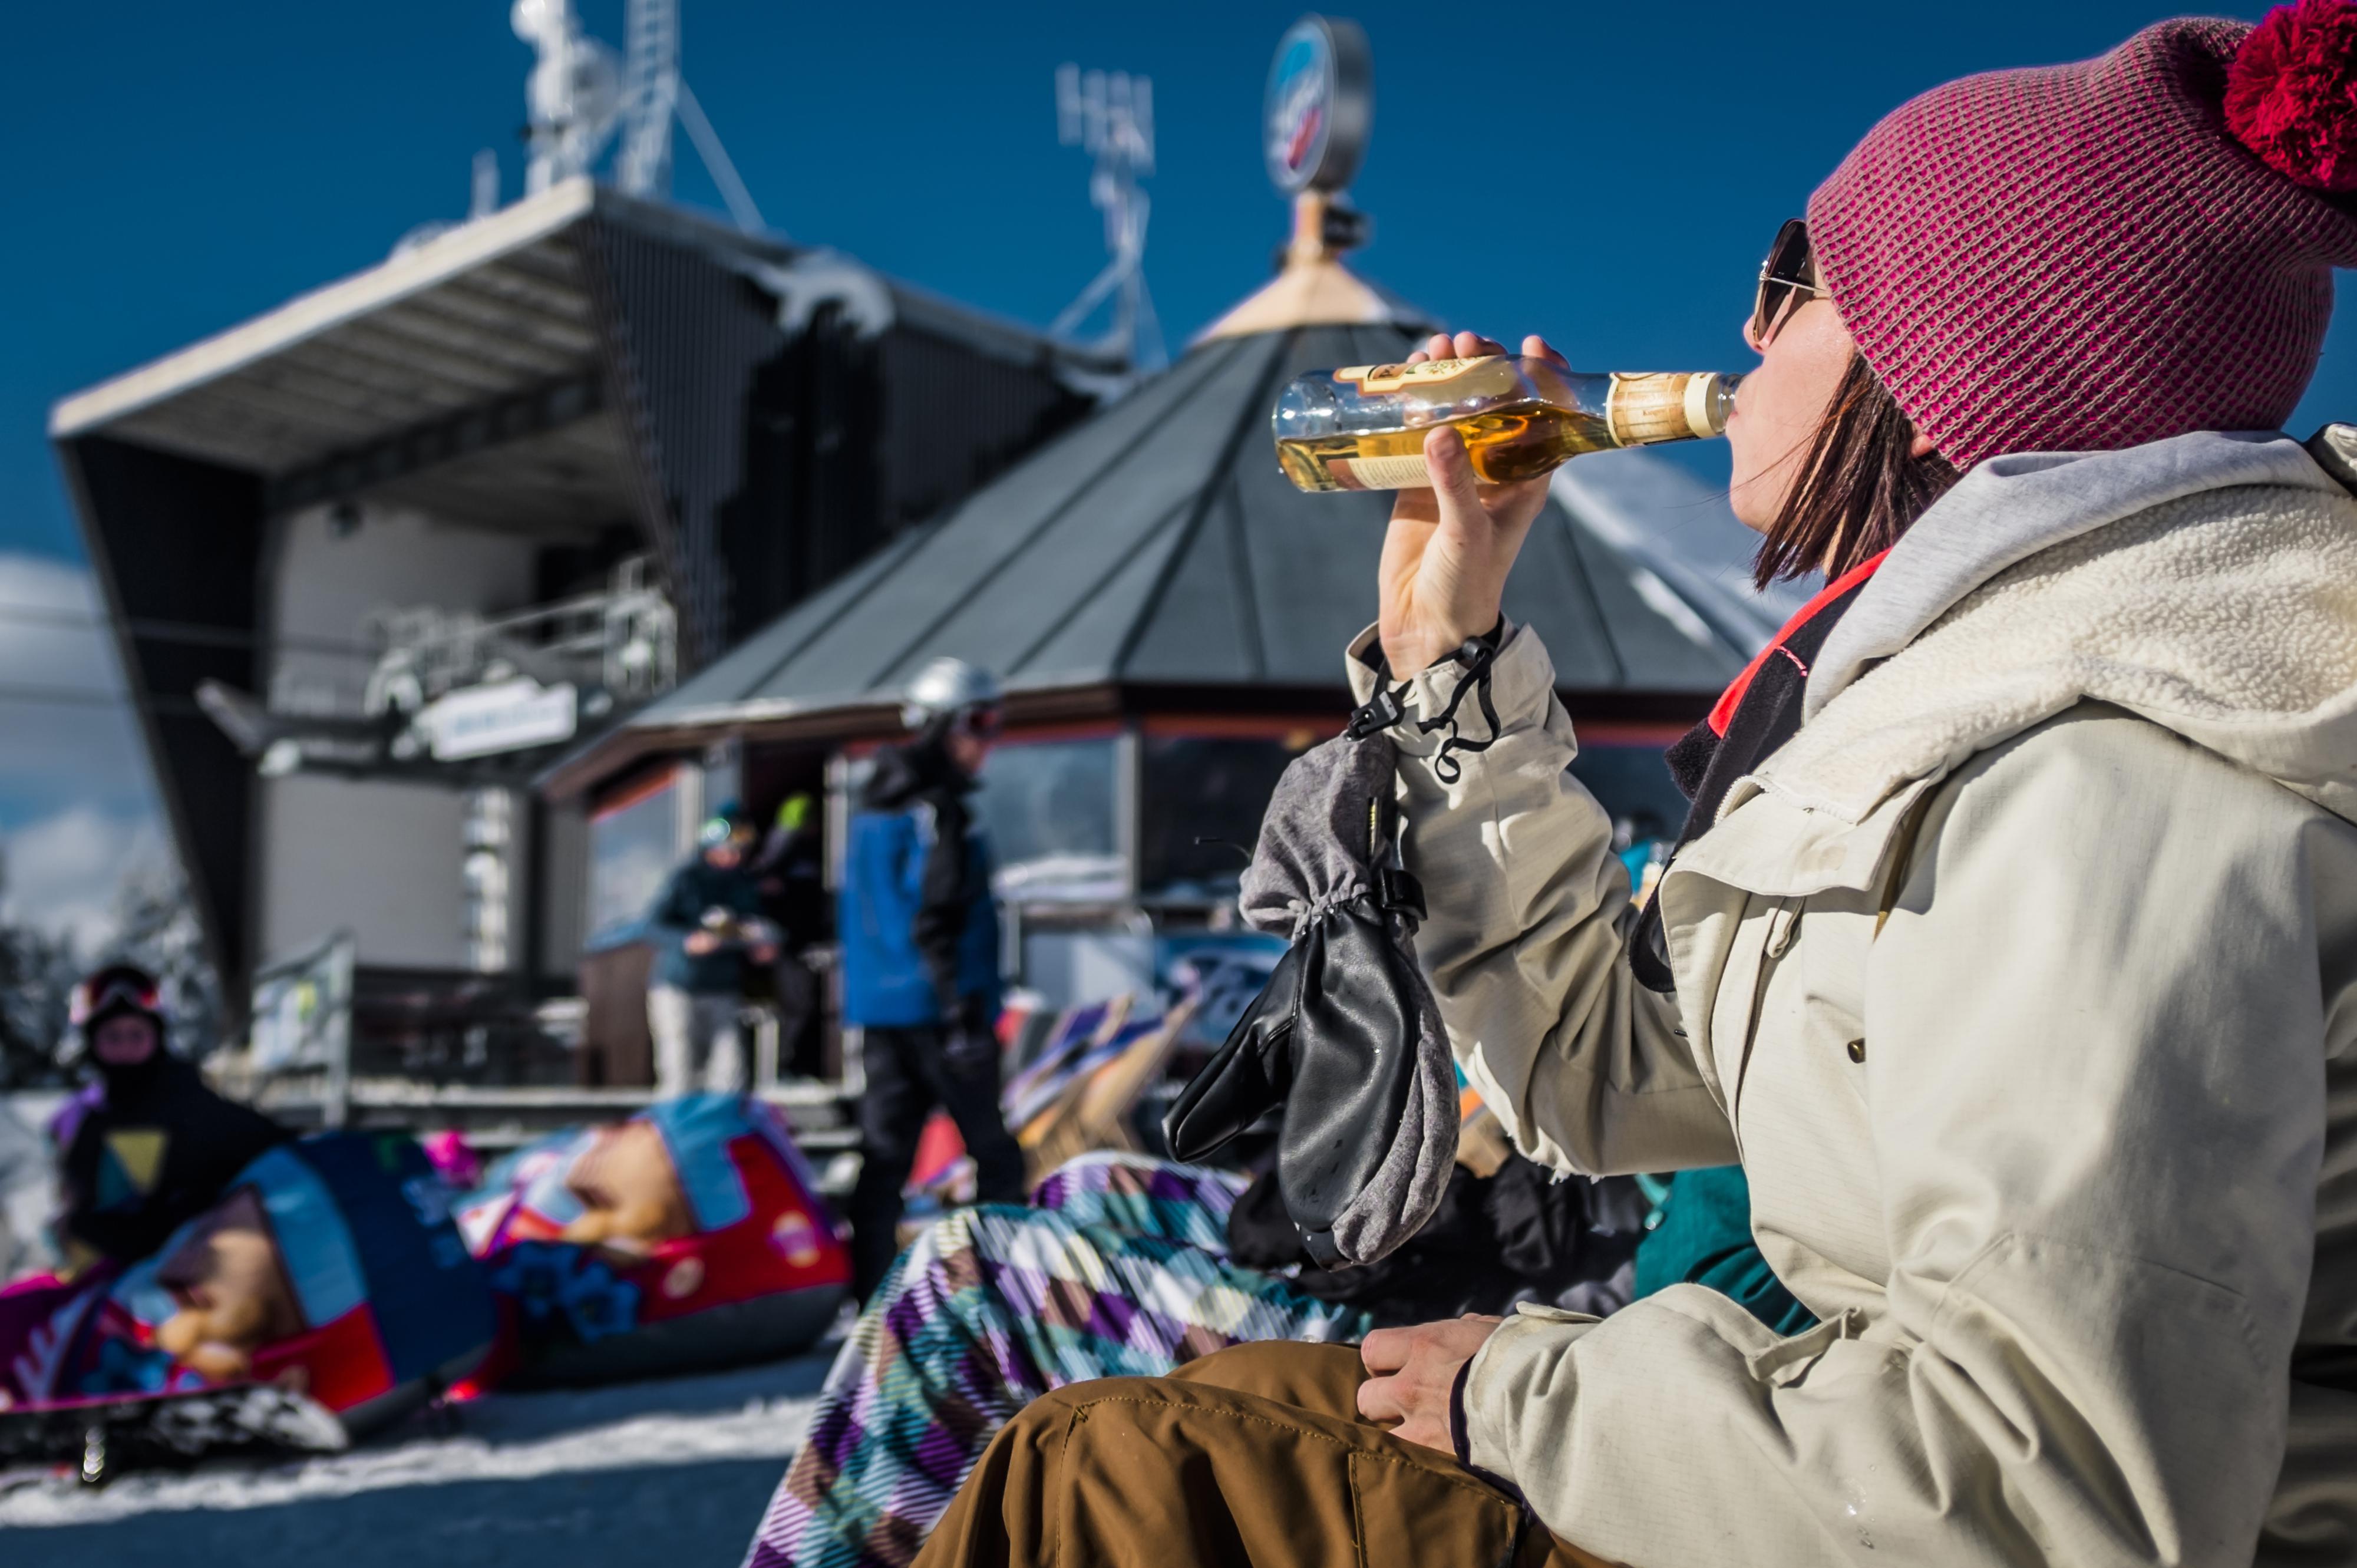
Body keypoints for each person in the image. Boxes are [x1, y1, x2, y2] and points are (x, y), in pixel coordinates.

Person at [919, 9, 2357, 1565]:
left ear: (1940, 358)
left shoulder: (2101, 783)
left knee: (1114, 1466)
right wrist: (1442, 647)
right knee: (1195, 1417)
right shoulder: (1972, 711)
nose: (1746, 336)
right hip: (1841, 1460)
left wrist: (1529, 1395)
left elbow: (2044, 1495)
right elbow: (1611, 1072)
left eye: (1789, 283)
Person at [839, 657, 1025, 1303]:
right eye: (978, 721)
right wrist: (961, 1014)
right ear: (938, 726)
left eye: (994, 721)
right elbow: (935, 918)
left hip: (883, 1012)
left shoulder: (871, 804)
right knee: (996, 1159)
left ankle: (866, 1303)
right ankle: (1005, 1297)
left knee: (885, 1157)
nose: (988, 739)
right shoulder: (938, 811)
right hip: (943, 1011)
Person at [48, 965, 289, 1274]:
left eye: (137, 1034)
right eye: (112, 1036)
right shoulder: (79, 1115)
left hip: (172, 1283)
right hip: (87, 1278)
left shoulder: (195, 1106)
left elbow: (276, 1150)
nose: (125, 1046)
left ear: (158, 1035)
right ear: (91, 1042)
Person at [645, 803, 777, 1097]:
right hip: (678, 986)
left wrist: (761, 945)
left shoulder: (744, 883)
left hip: (723, 987)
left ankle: (721, 1136)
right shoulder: (687, 879)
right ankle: (675, 1137)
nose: (733, 857)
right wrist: (687, 941)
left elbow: (755, 925)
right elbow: (652, 926)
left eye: (740, 850)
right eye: (728, 849)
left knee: (730, 1072)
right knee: (679, 1071)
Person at [754, 793, 830, 1081]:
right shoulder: (784, 851)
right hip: (788, 943)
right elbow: (763, 891)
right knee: (799, 1005)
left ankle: (798, 1067)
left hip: (805, 940)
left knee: (805, 1004)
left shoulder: (813, 852)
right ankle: (790, 1068)